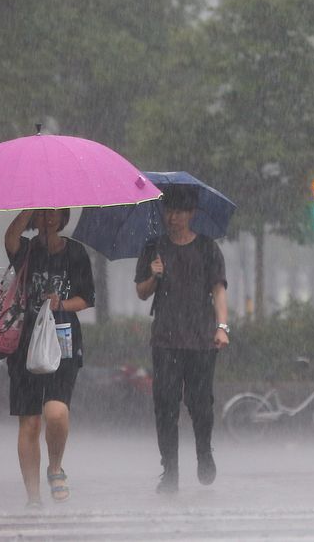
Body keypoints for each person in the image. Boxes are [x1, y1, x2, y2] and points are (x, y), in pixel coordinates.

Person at [134, 185, 229, 493]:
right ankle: (170, 472)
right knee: (165, 405)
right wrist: (155, 274)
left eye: (179, 211)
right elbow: (142, 292)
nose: (173, 217)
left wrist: (222, 327)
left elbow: (219, 290)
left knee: (201, 403)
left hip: (201, 338)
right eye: (169, 211)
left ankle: (204, 452)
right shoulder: (154, 247)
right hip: (165, 339)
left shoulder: (207, 248)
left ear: (191, 214)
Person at [4, 208, 95, 507]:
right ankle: (33, 498)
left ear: (64, 216)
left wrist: (62, 303)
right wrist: (30, 203)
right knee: (29, 422)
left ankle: (55, 467)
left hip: (63, 343)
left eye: (54, 212)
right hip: (24, 345)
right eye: (42, 213)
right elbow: (10, 237)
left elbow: (86, 298)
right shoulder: (27, 251)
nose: (49, 218)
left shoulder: (76, 253)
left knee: (56, 413)